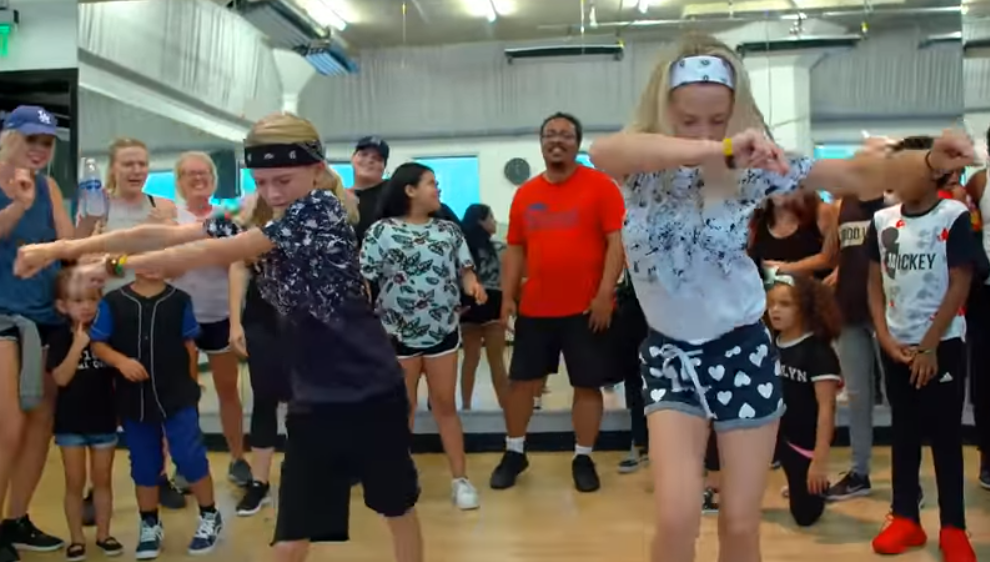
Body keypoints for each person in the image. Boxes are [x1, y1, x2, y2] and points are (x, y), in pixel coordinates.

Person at [586, 33, 973, 562]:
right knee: (676, 518)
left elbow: (857, 174)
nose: (706, 130)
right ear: (664, 111)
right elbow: (604, 149)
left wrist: (929, 159)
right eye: (689, 119)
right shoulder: (641, 171)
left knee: (741, 525)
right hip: (670, 357)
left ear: (736, 111)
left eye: (719, 119)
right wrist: (716, 148)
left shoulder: (751, 171)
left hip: (740, 351)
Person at [15, 112, 424, 562]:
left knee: (395, 509)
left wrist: (110, 266)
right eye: (261, 180)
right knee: (293, 532)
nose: (272, 191)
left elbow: (211, 251)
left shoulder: (319, 211)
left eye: (283, 180)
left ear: (316, 170)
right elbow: (167, 232)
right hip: (315, 396)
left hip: (370, 391)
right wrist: (60, 249)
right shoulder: (261, 212)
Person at [491, 112, 626, 494]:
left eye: (566, 135)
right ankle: (515, 452)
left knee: (587, 385)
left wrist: (605, 293)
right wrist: (507, 298)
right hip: (536, 308)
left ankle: (583, 456)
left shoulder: (601, 187)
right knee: (521, 384)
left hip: (587, 309)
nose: (557, 140)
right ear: (541, 142)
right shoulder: (526, 194)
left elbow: (617, 242)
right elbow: (515, 249)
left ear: (577, 143)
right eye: (550, 134)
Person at [866, 136, 977, 561]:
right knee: (904, 434)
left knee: (945, 437)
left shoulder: (952, 216)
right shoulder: (882, 221)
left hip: (942, 345)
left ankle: (953, 528)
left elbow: (960, 280)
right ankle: (906, 519)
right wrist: (885, 336)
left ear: (931, 171)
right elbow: (874, 283)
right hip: (896, 346)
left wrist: (930, 346)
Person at [360, 162, 484, 511]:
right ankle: (399, 478)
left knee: (445, 405)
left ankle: (461, 479)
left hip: (442, 330)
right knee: (404, 408)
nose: (437, 189)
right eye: (431, 183)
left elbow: (465, 271)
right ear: (409, 190)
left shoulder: (448, 231)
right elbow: (364, 280)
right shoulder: (380, 232)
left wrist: (473, 286)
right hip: (395, 334)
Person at [76, 137, 187, 513]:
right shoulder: (97, 208)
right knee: (104, 407)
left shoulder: (163, 207)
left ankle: (159, 476)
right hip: (111, 316)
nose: (137, 171)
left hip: (155, 314)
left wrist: (162, 239)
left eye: (142, 163)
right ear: (114, 168)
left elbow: (178, 266)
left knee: (159, 402)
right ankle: (96, 487)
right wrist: (137, 255)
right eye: (128, 164)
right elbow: (84, 264)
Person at [89, 269, 221, 559]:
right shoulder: (113, 301)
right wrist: (121, 362)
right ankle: (149, 523)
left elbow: (189, 346)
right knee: (144, 463)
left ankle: (210, 516)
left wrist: (191, 389)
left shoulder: (180, 300)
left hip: (177, 395)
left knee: (189, 455)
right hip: (133, 398)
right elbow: (98, 343)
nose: (151, 264)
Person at [0, 105, 76, 562]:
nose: (40, 150)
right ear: (8, 137)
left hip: (45, 317)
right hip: (4, 318)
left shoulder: (49, 186)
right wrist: (19, 205)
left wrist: (89, 235)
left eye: (46, 143)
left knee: (39, 425)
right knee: (8, 427)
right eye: (31, 139)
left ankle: (17, 519)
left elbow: (66, 248)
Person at [170, 152, 252, 487]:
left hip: (219, 314)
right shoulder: (170, 218)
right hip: (181, 317)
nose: (198, 178)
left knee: (227, 390)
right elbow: (170, 265)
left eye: (203, 173)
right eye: (190, 174)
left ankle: (237, 458)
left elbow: (236, 263)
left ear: (213, 179)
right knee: (185, 395)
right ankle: (186, 464)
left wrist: (211, 247)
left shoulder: (227, 217)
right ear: (180, 180)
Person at [47, 267, 123, 561]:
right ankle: (77, 538)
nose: (87, 306)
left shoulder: (107, 333)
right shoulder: (59, 337)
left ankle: (104, 534)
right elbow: (61, 378)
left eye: (92, 299)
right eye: (78, 300)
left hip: (103, 419)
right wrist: (78, 347)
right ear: (62, 306)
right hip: (70, 424)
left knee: (102, 480)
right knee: (74, 482)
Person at [823, 177, 890, 502]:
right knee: (858, 396)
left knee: (897, 399)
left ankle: (909, 481)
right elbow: (839, 254)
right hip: (848, 309)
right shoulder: (845, 202)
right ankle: (859, 473)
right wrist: (837, 273)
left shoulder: (894, 198)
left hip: (887, 313)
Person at [765, 271, 841, 527]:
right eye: (771, 303)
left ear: (805, 308)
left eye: (785, 304)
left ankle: (809, 481)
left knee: (805, 517)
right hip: (776, 435)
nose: (775, 310)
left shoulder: (818, 352)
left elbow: (826, 409)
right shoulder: (772, 344)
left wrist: (819, 462)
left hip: (802, 445)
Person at [459, 203, 509, 411]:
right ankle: (506, 406)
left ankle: (467, 405)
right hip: (493, 302)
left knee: (470, 359)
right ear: (481, 221)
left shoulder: (462, 249)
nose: (495, 221)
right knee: (497, 360)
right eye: (491, 217)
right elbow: (505, 281)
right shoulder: (498, 248)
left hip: (469, 302)